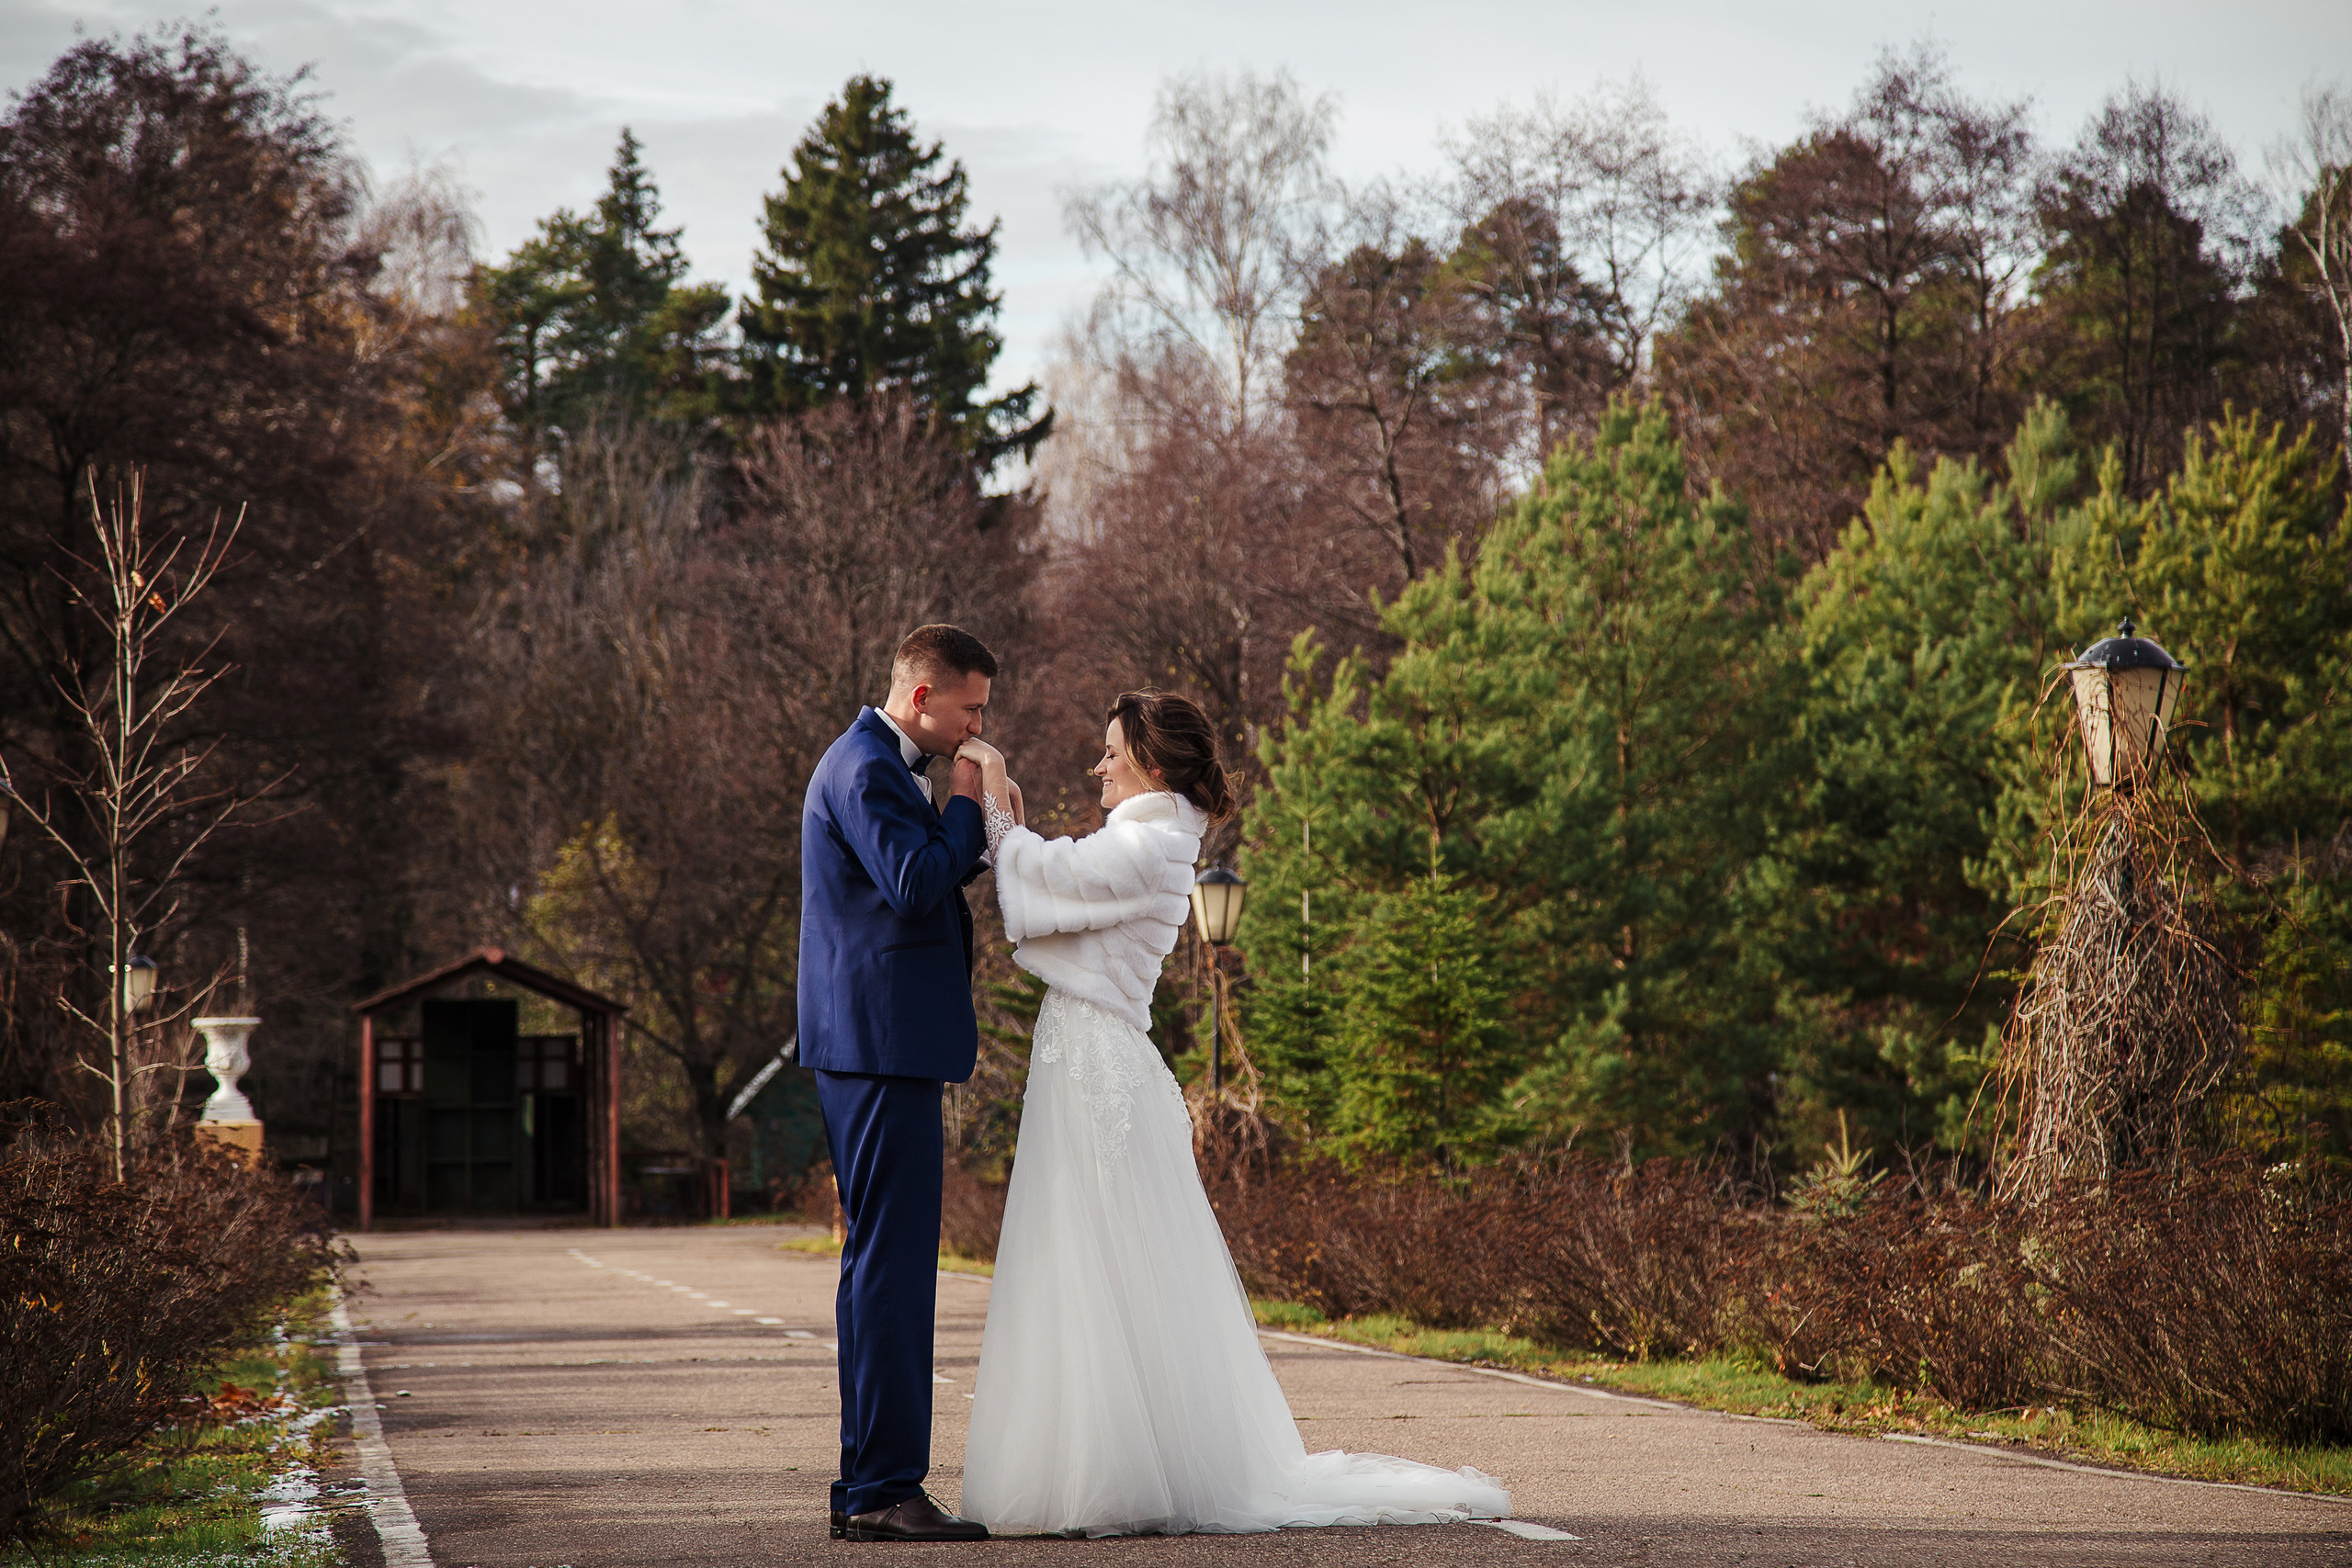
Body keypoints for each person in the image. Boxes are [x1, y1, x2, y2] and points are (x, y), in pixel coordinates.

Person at [955, 690, 1510, 1536]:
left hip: (1101, 1067)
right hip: (1086, 1061)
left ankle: (1122, 1474)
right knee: (1083, 1257)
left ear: (1151, 764)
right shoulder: (1146, 838)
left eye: (1110, 753)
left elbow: (1051, 876)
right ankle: (1095, 1464)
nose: (1098, 767)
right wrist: (1010, 831)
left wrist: (994, 790)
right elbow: (1052, 881)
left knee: (1103, 1257)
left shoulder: (1152, 841)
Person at [797, 624, 998, 1544]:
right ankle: (883, 1488)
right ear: (924, 697)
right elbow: (916, 885)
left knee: (877, 1266)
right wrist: (967, 801)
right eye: (971, 708)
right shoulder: (866, 764)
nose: (978, 727)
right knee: (890, 1269)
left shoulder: (877, 759)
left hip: (879, 1047)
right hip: (877, 1050)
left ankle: (867, 1490)